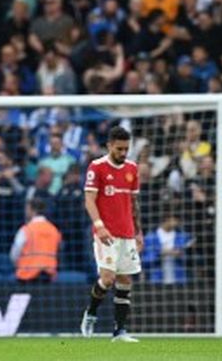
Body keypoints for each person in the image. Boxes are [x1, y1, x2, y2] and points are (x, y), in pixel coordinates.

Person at [81, 126, 142, 342]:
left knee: (125, 280)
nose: (123, 153)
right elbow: (89, 200)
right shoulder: (96, 167)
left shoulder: (132, 169)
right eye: (119, 149)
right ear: (109, 146)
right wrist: (99, 225)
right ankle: (91, 313)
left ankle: (119, 331)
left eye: (126, 149)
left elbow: (134, 203)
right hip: (105, 233)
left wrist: (139, 232)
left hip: (127, 233)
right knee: (107, 278)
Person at [9, 198, 62, 284]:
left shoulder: (26, 229)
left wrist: (18, 264)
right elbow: (58, 251)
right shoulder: (54, 230)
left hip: (26, 275)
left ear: (32, 210)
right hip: (48, 275)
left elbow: (14, 253)